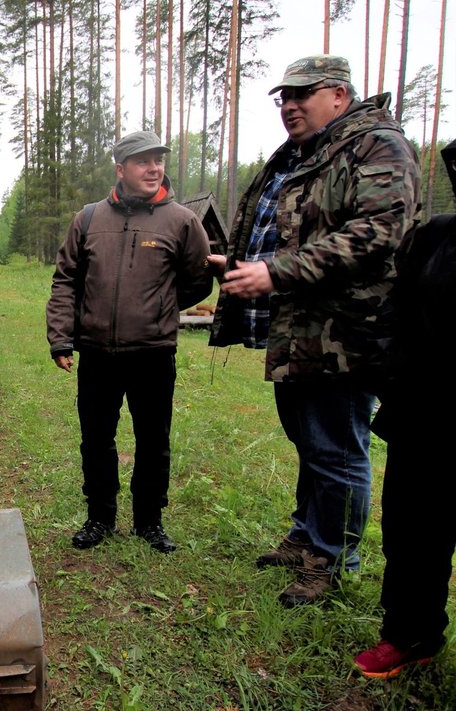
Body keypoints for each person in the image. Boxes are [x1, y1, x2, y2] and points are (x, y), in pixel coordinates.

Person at [207, 55, 420, 606]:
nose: (291, 106)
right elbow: (287, 224)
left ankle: (333, 559)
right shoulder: (308, 152)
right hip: (299, 330)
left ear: (340, 96)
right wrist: (235, 259)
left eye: (304, 94)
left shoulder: (377, 146)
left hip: (345, 333)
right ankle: (307, 535)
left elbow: (377, 233)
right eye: (284, 97)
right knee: (310, 442)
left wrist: (274, 270)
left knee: (337, 448)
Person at [46, 130, 212, 554]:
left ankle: (149, 521)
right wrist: (62, 338)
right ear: (121, 169)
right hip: (97, 353)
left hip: (154, 354)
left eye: (158, 160)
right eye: (143, 161)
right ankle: (100, 516)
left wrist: (159, 309)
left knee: (153, 440)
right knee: (96, 437)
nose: (154, 168)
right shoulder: (88, 219)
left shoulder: (182, 221)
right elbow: (66, 281)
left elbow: (196, 281)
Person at [352, 139, 456, 677]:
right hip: (426, 417)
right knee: (414, 533)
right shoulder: (437, 237)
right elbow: (394, 310)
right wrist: (390, 375)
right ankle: (411, 634)